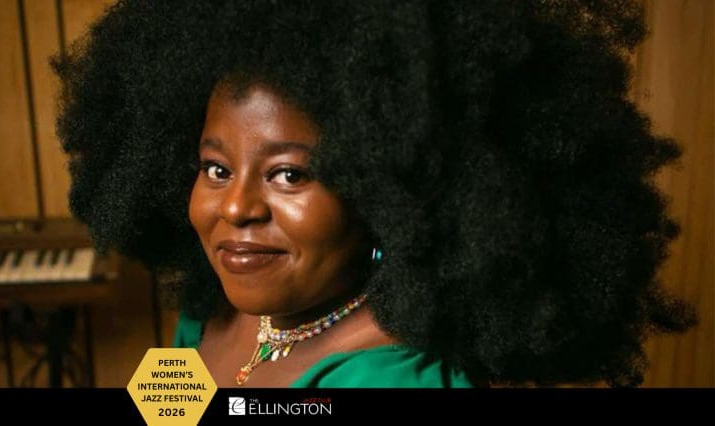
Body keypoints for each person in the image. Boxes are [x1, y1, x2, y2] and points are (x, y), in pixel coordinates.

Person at [53, 0, 697, 388]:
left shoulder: (392, 378)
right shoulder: (209, 311)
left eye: (290, 174)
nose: (235, 207)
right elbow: (165, 413)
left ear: (388, 195)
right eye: (216, 169)